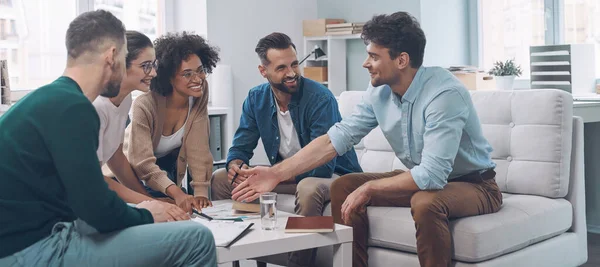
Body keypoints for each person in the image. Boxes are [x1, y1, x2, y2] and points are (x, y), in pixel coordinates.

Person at [232, 12, 503, 267]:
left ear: (401, 60)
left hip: (474, 185)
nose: (365, 63)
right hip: (422, 179)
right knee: (345, 186)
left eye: (373, 56)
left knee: (425, 202)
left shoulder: (444, 94)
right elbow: (334, 139)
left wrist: (371, 188)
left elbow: (432, 175)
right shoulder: (379, 92)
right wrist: (276, 174)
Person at [0, 10, 217, 267]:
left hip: (37, 233)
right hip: (33, 248)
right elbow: (96, 209)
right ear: (113, 56)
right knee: (198, 238)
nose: (153, 73)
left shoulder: (52, 98)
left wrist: (147, 208)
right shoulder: (75, 108)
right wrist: (148, 212)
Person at [211, 32, 362, 267]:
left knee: (308, 187)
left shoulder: (320, 98)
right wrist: (236, 166)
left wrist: (272, 176)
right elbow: (240, 147)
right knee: (220, 179)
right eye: (281, 68)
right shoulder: (256, 99)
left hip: (334, 175)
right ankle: (240, 254)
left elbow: (322, 167)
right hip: (286, 173)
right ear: (264, 71)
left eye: (294, 64)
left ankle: (299, 263)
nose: (291, 73)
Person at [123, 31, 219, 214]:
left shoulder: (198, 94)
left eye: (200, 70)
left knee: (185, 210)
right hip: (131, 174)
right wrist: (176, 193)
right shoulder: (144, 104)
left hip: (164, 173)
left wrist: (201, 194)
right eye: (187, 74)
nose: (198, 79)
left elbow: (199, 147)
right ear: (168, 76)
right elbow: (141, 162)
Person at [93, 31, 185, 218]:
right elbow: (92, 178)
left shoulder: (125, 98)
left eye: (153, 65)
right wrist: (149, 203)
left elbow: (116, 158)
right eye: (145, 66)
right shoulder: (95, 107)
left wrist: (148, 199)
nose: (153, 73)